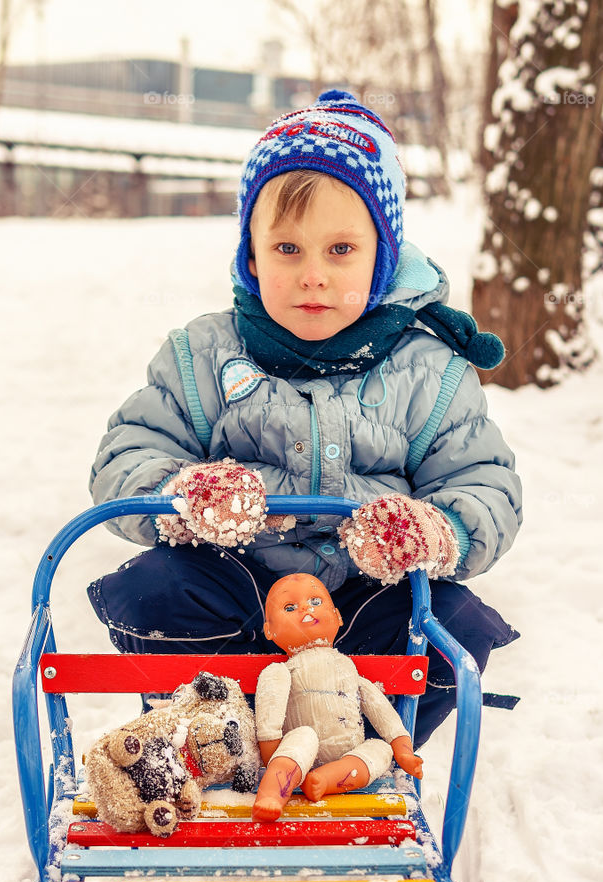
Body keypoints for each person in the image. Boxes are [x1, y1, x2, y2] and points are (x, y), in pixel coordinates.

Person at [87, 90, 521, 750]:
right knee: (154, 589)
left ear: (382, 252)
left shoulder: (429, 371)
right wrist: (185, 497)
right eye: (287, 249)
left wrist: (434, 529)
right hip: (234, 596)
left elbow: (484, 484)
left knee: (451, 620)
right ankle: (214, 737)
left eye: (340, 249)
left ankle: (365, 749)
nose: (312, 276)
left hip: (359, 605)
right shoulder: (201, 354)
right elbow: (126, 457)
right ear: (251, 257)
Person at [252, 573, 422, 822]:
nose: (306, 608)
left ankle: (327, 779)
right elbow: (270, 711)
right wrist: (271, 754)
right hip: (302, 753)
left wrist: (403, 749)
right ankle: (273, 793)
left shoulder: (348, 668)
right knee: (302, 736)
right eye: (290, 607)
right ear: (270, 630)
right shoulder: (282, 671)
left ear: (337, 617)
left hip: (349, 753)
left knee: (380, 749)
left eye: (316, 601)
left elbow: (380, 709)